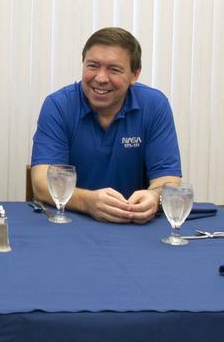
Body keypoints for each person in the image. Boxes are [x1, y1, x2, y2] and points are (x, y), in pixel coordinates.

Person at [30, 27, 182, 223]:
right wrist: (87, 202)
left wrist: (155, 198)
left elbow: (168, 181)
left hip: (134, 224)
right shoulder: (58, 105)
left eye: (114, 69)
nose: (101, 78)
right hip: (71, 222)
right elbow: (41, 183)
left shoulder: (154, 105)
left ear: (135, 74)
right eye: (93, 66)